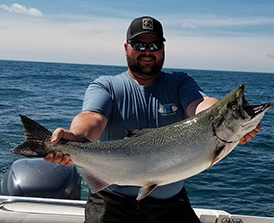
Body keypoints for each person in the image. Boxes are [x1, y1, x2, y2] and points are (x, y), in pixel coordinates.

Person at [45, 16, 261, 223]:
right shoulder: (106, 86)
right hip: (112, 202)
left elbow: (201, 104)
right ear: (126, 47)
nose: (147, 52)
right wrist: (75, 137)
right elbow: (92, 118)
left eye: (154, 45)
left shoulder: (179, 82)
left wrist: (230, 117)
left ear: (163, 48)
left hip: (170, 203)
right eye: (139, 45)